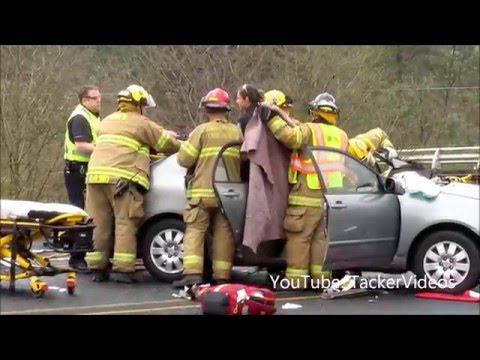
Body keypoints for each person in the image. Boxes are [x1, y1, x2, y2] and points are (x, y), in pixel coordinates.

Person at [85, 84, 181, 283]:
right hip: (122, 181)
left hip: (94, 178)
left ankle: (97, 268)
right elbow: (167, 144)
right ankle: (123, 270)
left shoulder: (107, 122)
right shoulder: (141, 123)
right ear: (138, 104)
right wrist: (184, 144)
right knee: (125, 223)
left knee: (98, 224)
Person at [172, 88, 243, 288]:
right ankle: (222, 276)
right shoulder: (237, 132)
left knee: (195, 230)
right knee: (224, 233)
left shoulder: (201, 131)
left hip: (202, 193)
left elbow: (184, 159)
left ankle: (193, 275)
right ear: (226, 110)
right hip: (229, 194)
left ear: (207, 110)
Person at [282, 92, 349, 290]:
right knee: (321, 240)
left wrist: (272, 120)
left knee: (299, 239)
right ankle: (321, 281)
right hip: (330, 197)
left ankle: (297, 282)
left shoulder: (309, 129)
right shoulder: (342, 135)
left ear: (314, 112)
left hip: (306, 195)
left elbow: (289, 138)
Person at [234, 85, 302, 261]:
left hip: (268, 178)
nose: (236, 101)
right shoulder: (281, 121)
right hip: (286, 179)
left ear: (247, 99)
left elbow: (243, 150)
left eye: (239, 98)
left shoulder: (249, 120)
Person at [63, 85, 101, 272]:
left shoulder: (92, 116)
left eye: (99, 97)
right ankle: (76, 258)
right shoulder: (80, 117)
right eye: (94, 98)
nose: (98, 100)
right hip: (77, 171)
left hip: (85, 169)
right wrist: (106, 150)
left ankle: (77, 249)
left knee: (86, 214)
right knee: (80, 214)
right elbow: (81, 145)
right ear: (84, 100)